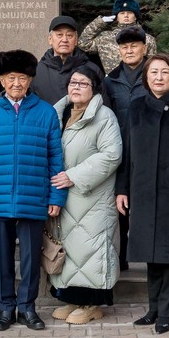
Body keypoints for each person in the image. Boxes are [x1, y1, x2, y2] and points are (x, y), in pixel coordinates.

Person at [0, 49, 66, 331]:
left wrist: (55, 196)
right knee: (1, 258)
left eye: (22, 78)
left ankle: (28, 307)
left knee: (31, 258)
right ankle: (6, 308)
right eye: (11, 78)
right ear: (1, 79)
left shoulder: (45, 112)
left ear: (30, 80)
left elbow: (55, 157)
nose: (17, 84)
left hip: (34, 196)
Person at [115, 53, 169, 334]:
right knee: (150, 254)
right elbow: (127, 152)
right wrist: (122, 188)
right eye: (153, 72)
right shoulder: (137, 107)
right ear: (146, 77)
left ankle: (167, 312)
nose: (158, 77)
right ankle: (153, 309)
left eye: (164, 72)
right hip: (142, 192)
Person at [47, 65, 123, 324]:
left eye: (83, 84)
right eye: (72, 83)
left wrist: (74, 176)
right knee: (71, 252)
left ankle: (92, 304)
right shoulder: (57, 113)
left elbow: (111, 155)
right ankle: (73, 300)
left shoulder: (105, 117)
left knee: (91, 251)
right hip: (64, 198)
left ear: (94, 89)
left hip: (92, 198)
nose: (76, 88)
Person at [101, 26, 150, 271]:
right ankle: (120, 258)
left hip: (148, 151)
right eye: (124, 47)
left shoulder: (155, 75)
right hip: (119, 150)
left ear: (144, 48)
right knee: (118, 206)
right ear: (119, 51)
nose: (129, 51)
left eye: (134, 46)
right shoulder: (109, 80)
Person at [32, 15, 101, 106]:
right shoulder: (36, 71)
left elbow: (103, 105)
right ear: (50, 40)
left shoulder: (92, 69)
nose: (64, 40)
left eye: (69, 35)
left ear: (76, 40)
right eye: (59, 35)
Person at [79, 0, 157, 71]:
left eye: (129, 13)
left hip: (139, 82)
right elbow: (83, 43)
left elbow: (152, 65)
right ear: (116, 17)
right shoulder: (105, 38)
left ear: (135, 16)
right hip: (112, 82)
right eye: (122, 13)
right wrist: (100, 22)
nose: (126, 16)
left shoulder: (147, 39)